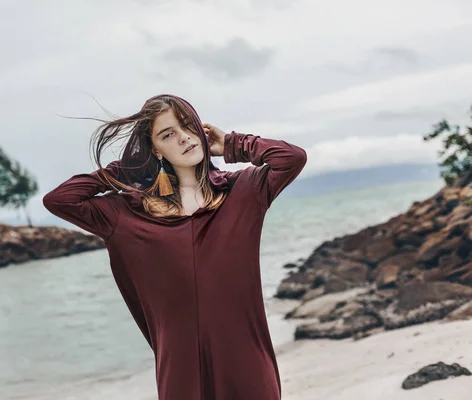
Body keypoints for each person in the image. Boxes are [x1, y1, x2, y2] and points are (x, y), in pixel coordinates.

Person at [43, 94, 307, 400]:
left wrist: (234, 144)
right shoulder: (127, 213)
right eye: (168, 134)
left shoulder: (243, 192)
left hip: (246, 360)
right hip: (180, 372)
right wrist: (124, 171)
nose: (184, 139)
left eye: (187, 126)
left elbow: (292, 158)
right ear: (155, 149)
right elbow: (60, 200)